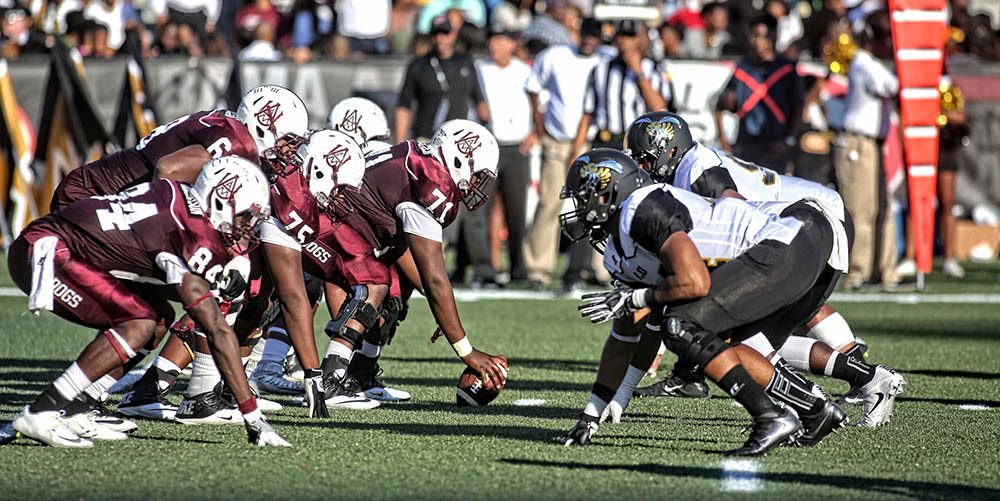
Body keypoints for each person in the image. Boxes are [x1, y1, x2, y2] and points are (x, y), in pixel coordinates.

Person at [621, 112, 905, 423]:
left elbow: (734, 208)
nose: (644, 168)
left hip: (805, 225)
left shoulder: (695, 169)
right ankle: (859, 381)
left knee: (741, 338)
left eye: (647, 159)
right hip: (812, 223)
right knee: (760, 335)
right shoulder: (693, 163)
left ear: (671, 150)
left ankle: (817, 397)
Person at [559, 149, 835, 455]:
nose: (578, 208)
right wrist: (592, 412)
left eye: (583, 197)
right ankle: (814, 409)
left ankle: (771, 417)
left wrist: (636, 297)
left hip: (786, 245)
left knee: (680, 326)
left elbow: (694, 282)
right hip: (783, 251)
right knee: (712, 339)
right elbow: (626, 334)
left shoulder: (641, 208)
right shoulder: (618, 249)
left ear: (607, 191)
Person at [5, 157, 288, 447]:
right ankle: (42, 410)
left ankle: (77, 407)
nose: (247, 229)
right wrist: (253, 417)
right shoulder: (194, 236)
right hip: (46, 253)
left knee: (158, 318)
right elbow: (215, 327)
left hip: (60, 247)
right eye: (245, 218)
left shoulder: (179, 196)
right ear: (218, 201)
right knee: (138, 322)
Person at [317, 120, 509, 404]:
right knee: (373, 288)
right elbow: (435, 279)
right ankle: (331, 381)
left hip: (355, 229)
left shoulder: (422, 160)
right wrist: (467, 351)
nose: (478, 184)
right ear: (458, 157)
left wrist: (441, 310)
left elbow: (409, 253)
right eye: (478, 174)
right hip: (332, 226)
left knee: (396, 292)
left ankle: (360, 374)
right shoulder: (431, 181)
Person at [522, 17, 602, 291]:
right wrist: (539, 125)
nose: (590, 41)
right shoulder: (555, 56)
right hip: (557, 140)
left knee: (597, 207)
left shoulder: (605, 60)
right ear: (578, 34)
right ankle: (537, 268)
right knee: (550, 203)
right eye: (587, 35)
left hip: (592, 142)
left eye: (595, 36)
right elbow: (533, 87)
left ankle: (600, 268)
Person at [833, 21, 899, 290]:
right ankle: (857, 272)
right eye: (886, 40)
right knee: (861, 210)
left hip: (872, 144)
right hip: (856, 145)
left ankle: (885, 270)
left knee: (883, 207)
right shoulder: (863, 63)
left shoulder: (871, 63)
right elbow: (890, 86)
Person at [471, 27, 534, 284]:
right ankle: (489, 266)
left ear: (511, 44)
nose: (494, 46)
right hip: (489, 147)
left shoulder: (524, 71)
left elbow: (538, 103)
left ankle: (519, 266)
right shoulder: (479, 69)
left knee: (516, 210)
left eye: (500, 41)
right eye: (492, 40)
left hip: (517, 147)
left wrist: (535, 134)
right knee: (484, 209)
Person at [715, 14, 804, 174]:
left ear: (774, 36)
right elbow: (720, 104)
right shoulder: (742, 68)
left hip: (775, 145)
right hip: (745, 143)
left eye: (764, 36)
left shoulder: (787, 69)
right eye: (755, 36)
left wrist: (788, 140)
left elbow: (799, 106)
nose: (758, 41)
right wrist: (723, 139)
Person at [394, 13, 488, 143]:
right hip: (426, 138)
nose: (440, 38)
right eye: (435, 34)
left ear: (453, 34)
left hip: (457, 139)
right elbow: (404, 106)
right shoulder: (418, 65)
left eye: (445, 33)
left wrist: (487, 130)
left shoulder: (465, 61)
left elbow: (479, 98)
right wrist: (399, 143)